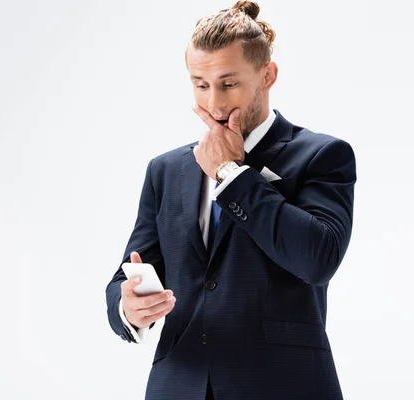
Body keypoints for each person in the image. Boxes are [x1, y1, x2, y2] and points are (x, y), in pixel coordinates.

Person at [105, 1, 356, 398]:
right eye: (200, 85)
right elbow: (130, 273)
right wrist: (127, 308)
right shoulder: (166, 170)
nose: (215, 104)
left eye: (229, 83)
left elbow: (317, 260)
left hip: (283, 387)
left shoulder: (322, 156)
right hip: (179, 385)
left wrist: (230, 174)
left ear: (267, 75)